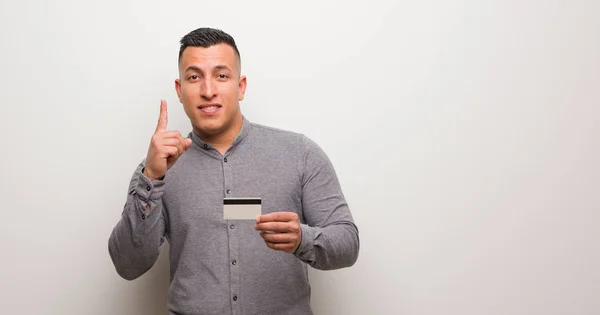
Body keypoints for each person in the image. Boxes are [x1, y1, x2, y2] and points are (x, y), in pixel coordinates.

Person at [108, 27, 359, 315]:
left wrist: (303, 239)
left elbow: (348, 242)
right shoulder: (158, 168)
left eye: (221, 75)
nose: (208, 90)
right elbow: (127, 264)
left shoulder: (299, 153)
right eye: (194, 77)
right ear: (179, 90)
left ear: (241, 86)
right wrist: (151, 179)